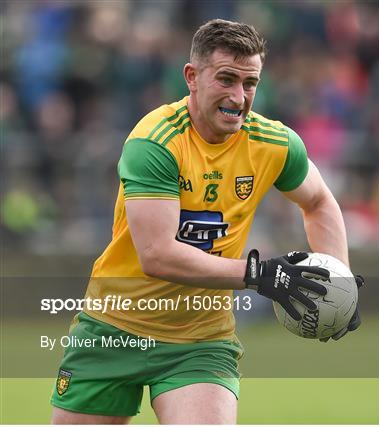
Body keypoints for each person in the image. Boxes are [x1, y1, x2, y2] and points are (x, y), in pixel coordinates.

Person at [50, 19, 362, 424]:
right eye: (226, 79)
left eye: (250, 83)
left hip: (201, 340)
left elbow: (319, 201)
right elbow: (157, 255)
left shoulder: (274, 143)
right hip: (114, 327)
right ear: (192, 77)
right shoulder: (155, 143)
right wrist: (260, 275)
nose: (239, 96)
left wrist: (339, 276)